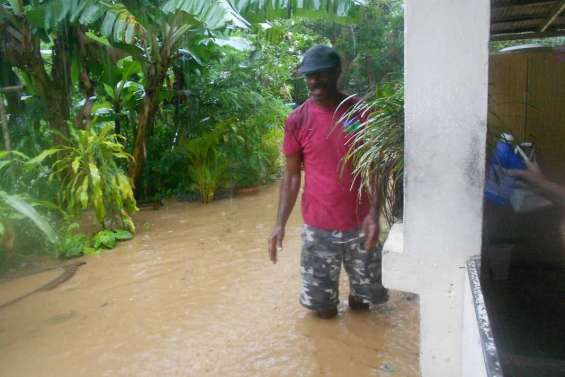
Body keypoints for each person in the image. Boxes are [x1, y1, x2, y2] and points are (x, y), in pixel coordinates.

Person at [267, 45, 388, 319]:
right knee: (322, 311)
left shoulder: (359, 115)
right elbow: (292, 174)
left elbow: (375, 168)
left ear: (336, 72)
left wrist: (374, 214)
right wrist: (279, 224)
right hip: (318, 229)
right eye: (308, 76)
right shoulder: (297, 120)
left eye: (320, 74)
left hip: (360, 224)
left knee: (364, 304)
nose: (313, 81)